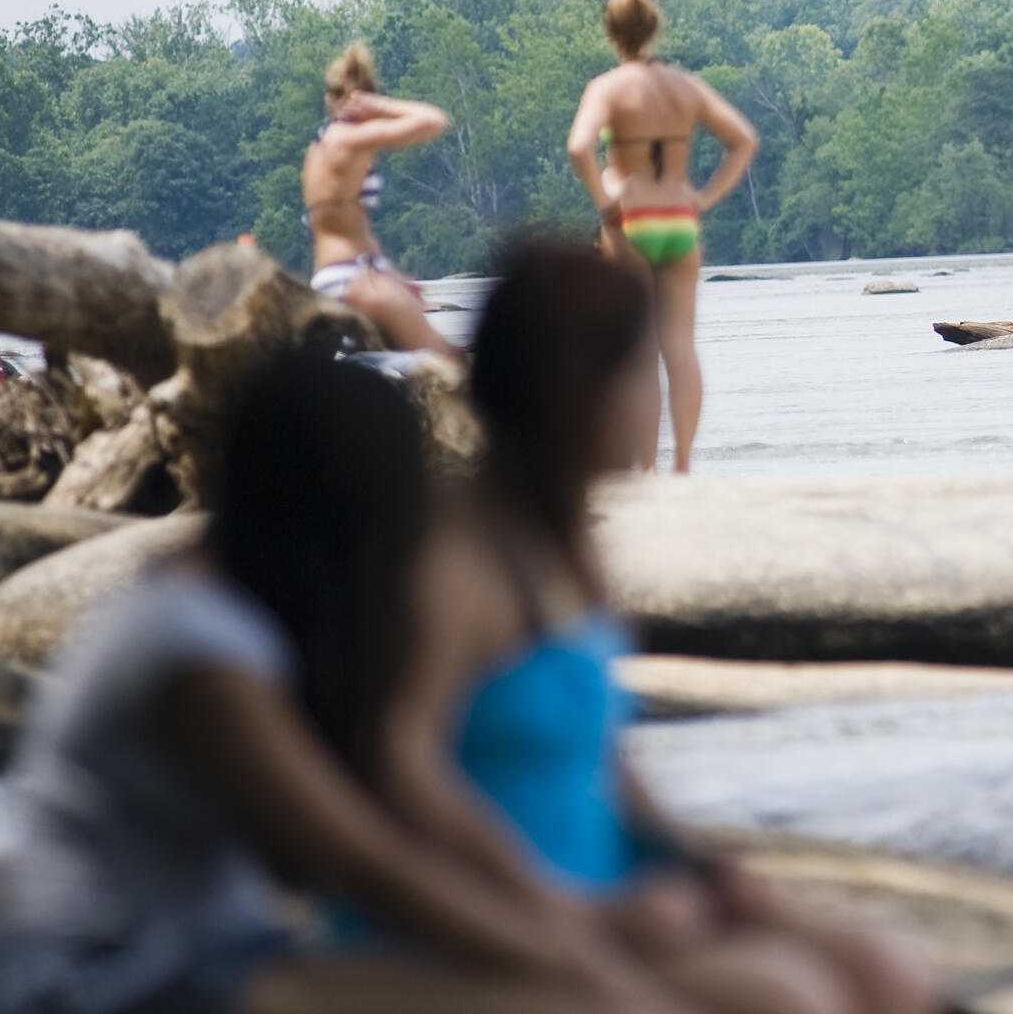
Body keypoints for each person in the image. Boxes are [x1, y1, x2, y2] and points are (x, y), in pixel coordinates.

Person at [0, 351, 684, 1014]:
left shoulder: (222, 609)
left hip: (210, 952)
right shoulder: (194, 651)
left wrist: (581, 924)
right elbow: (362, 859)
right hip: (122, 969)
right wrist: (569, 945)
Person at [374, 239, 936, 1014]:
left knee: (881, 963)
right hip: (492, 920)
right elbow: (397, 767)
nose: (655, 400)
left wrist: (702, 866)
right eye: (643, 371)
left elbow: (597, 754)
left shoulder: (568, 550)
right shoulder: (459, 567)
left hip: (602, 902)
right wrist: (563, 913)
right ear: (580, 388)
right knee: (784, 995)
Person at [566, 0, 761, 475]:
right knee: (680, 345)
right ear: (654, 27)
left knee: (638, 350)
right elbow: (744, 141)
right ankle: (683, 463)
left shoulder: (607, 88)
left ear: (610, 33)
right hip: (678, 218)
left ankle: (646, 465)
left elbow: (578, 146)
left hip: (630, 221)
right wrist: (703, 198)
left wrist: (603, 199)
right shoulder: (685, 85)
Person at [301, 42, 460, 360]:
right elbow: (434, 120)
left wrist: (394, 278)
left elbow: (349, 229)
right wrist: (381, 106)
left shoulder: (319, 147)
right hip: (352, 276)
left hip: (341, 274)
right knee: (450, 360)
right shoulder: (347, 138)